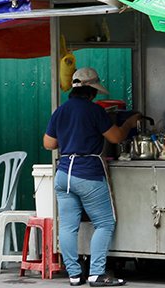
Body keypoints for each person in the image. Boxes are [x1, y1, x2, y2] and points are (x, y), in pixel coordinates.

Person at [43, 67, 140, 287]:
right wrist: (128, 124)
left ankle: (75, 275)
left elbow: (49, 144)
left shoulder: (60, 111)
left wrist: (69, 137)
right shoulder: (94, 111)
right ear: (92, 92)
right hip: (87, 173)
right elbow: (115, 138)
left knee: (68, 227)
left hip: (63, 174)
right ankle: (96, 274)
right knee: (105, 223)